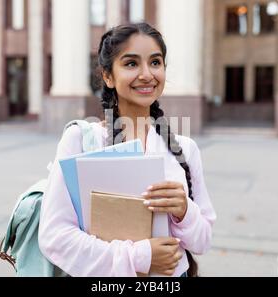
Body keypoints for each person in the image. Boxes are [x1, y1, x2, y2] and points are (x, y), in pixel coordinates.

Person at [38, 22, 216, 277]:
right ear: (108, 76)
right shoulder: (81, 140)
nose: (146, 74)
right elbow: (55, 237)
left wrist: (184, 211)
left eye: (155, 62)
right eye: (131, 64)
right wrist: (140, 257)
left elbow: (203, 241)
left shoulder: (186, 150)